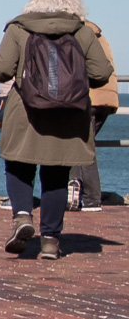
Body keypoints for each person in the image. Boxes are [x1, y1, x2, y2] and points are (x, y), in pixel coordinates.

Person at [0, 0, 113, 259]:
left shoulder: (19, 28)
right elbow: (102, 72)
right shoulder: (82, 31)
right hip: (69, 114)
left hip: (26, 112)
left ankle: (22, 217)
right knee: (56, 174)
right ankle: (50, 241)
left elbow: (3, 69)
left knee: (19, 165)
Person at [69, 20, 118, 211]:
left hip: (90, 97)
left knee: (82, 145)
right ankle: (85, 194)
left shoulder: (80, 37)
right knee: (83, 143)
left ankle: (90, 197)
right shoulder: (101, 37)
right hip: (107, 98)